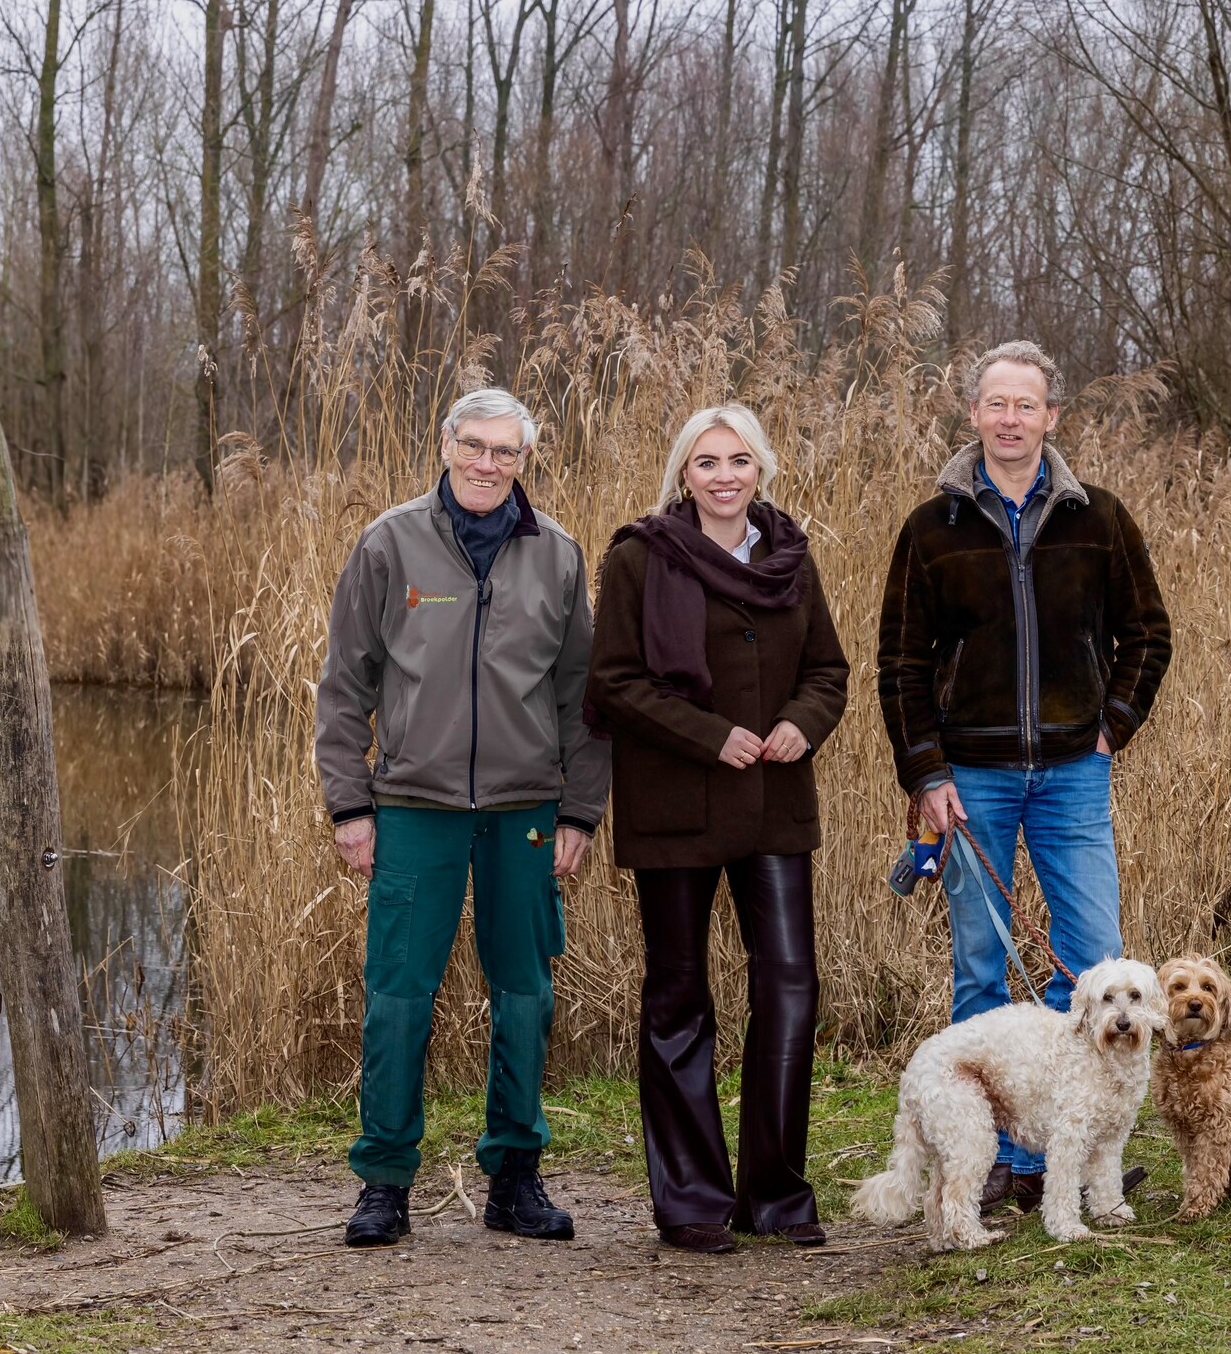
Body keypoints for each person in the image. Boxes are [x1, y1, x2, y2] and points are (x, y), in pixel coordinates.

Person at [877, 341, 1174, 1216]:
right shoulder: (934, 527)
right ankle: (997, 1156)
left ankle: (1067, 1150)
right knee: (980, 966)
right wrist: (926, 771)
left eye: (1027, 405)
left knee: (1088, 958)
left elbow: (1148, 634)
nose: (1011, 420)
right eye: (995, 404)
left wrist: (1112, 725)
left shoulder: (1099, 517)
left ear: (1053, 418)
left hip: (1074, 777)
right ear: (974, 415)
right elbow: (899, 663)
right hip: (971, 779)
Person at [315, 388, 610, 1248]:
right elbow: (345, 686)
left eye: (506, 452)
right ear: (445, 444)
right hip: (413, 807)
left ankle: (515, 1175)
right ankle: (385, 1181)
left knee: (524, 995)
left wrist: (579, 812)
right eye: (474, 446)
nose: (488, 465)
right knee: (399, 997)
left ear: (525, 459)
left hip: (524, 811)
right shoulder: (391, 542)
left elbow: (579, 700)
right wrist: (349, 803)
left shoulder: (555, 554)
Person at [586, 405, 850, 1254]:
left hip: (775, 805)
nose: (724, 476)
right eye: (707, 463)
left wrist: (803, 723)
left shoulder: (791, 559)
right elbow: (615, 682)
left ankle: (775, 1193)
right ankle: (693, 1201)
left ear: (761, 470)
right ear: (683, 474)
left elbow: (828, 670)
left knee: (789, 988)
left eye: (739, 460)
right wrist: (711, 733)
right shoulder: (640, 557)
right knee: (677, 999)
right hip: (676, 806)